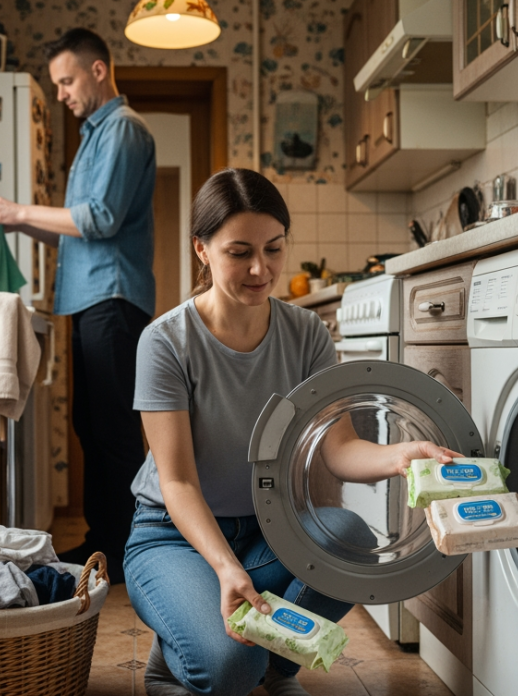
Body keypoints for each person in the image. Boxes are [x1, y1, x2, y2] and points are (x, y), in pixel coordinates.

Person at [125, 168, 461, 696]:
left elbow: (340, 448)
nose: (261, 269)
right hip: (173, 536)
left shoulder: (305, 333)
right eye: (239, 252)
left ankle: (275, 669)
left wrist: (401, 455)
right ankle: (179, 656)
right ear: (201, 249)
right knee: (228, 669)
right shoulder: (166, 341)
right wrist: (225, 569)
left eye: (274, 248)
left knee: (350, 537)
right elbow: (179, 483)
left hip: (267, 531)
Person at [0, 29, 155, 582]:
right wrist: (20, 223)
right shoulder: (96, 135)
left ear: (98, 70)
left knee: (114, 431)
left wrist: (20, 209)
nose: (60, 94)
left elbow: (99, 218)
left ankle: (129, 552)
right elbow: (79, 230)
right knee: (91, 426)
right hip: (91, 299)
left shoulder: (123, 130)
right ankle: (105, 541)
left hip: (113, 298)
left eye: (66, 81)